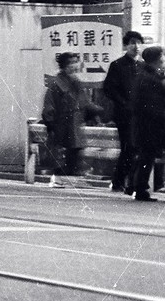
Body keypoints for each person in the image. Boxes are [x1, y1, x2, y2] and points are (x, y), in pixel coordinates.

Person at [41, 52, 101, 186]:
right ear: (64, 66)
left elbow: (84, 102)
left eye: (75, 62)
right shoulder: (56, 84)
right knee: (61, 150)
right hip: (61, 123)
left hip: (74, 123)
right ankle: (58, 178)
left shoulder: (76, 82)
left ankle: (67, 177)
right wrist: (51, 124)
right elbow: (49, 105)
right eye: (71, 63)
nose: (74, 66)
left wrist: (97, 111)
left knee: (74, 150)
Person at [102, 30, 143, 194]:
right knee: (129, 147)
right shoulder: (117, 65)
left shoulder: (142, 66)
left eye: (139, 43)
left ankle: (121, 181)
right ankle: (120, 181)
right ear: (126, 45)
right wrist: (124, 103)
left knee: (134, 148)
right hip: (124, 115)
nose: (136, 46)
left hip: (139, 116)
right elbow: (109, 89)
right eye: (132, 42)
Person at [129, 45, 165, 202]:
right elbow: (152, 105)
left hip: (146, 124)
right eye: (162, 56)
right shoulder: (149, 79)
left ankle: (137, 187)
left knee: (146, 156)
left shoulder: (146, 75)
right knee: (147, 156)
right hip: (150, 125)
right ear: (157, 59)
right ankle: (140, 188)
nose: (163, 59)